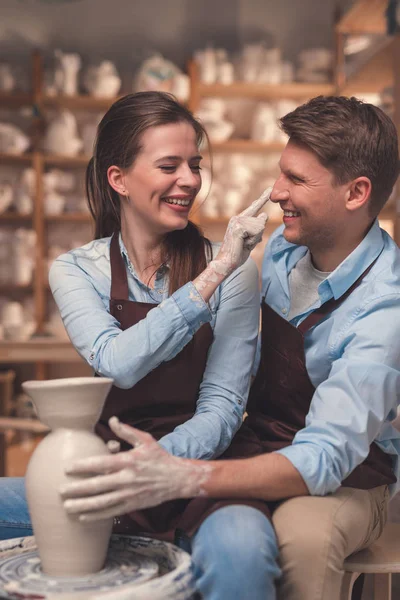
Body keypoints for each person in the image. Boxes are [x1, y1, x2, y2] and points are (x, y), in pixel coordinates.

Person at [59, 95, 400, 600]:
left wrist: (178, 475)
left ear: (356, 193)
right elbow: (123, 365)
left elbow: (323, 456)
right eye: (281, 173)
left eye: (297, 181)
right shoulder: (285, 246)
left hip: (351, 471)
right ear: (118, 180)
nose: (276, 193)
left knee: (299, 539)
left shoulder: (385, 309)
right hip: (256, 442)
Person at [0, 91, 281, 600]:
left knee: (243, 551)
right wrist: (210, 276)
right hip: (109, 466)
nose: (191, 180)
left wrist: (160, 469)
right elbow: (117, 364)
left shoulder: (239, 273)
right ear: (119, 179)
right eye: (170, 165)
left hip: (200, 469)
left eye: (194, 165)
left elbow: (221, 409)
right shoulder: (74, 269)